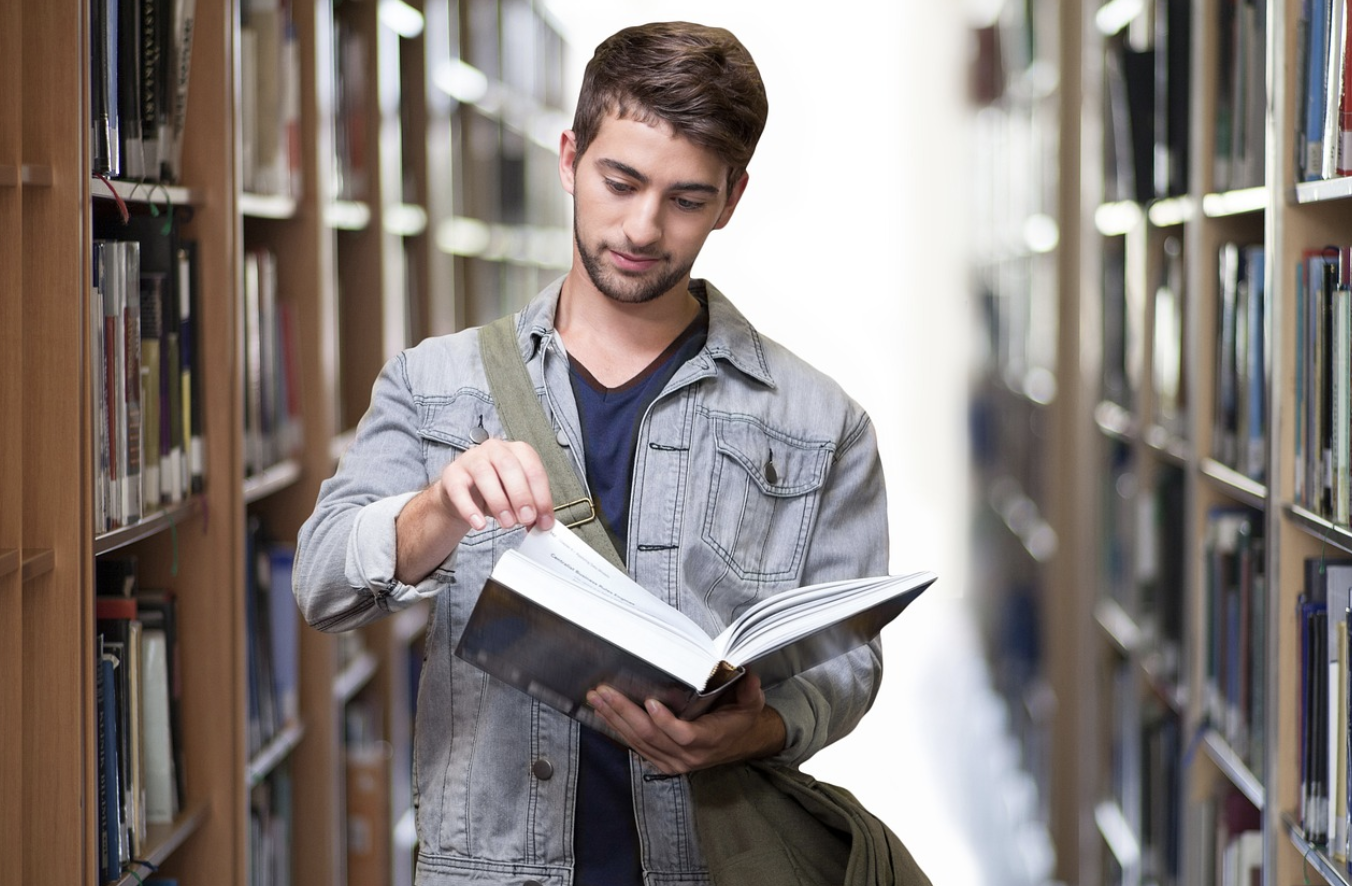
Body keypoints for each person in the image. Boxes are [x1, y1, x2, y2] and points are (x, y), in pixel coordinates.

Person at [294, 20, 892, 886]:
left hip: (710, 865)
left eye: (687, 199)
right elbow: (320, 582)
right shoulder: (438, 385)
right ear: (570, 157)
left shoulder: (819, 421)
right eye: (621, 181)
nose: (644, 227)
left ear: (732, 199)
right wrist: (438, 508)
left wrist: (757, 730)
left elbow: (849, 659)